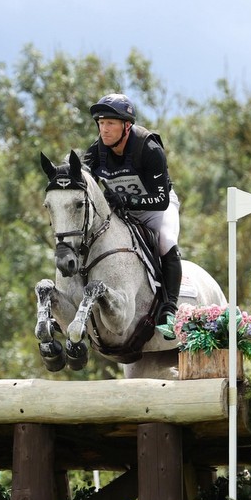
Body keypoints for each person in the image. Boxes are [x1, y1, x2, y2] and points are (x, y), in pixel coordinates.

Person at [82, 93, 182, 328]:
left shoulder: (149, 148)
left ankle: (170, 309)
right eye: (101, 123)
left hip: (157, 207)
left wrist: (125, 199)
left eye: (110, 123)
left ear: (127, 126)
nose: (103, 129)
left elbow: (159, 199)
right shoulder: (96, 152)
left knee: (166, 241)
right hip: (122, 212)